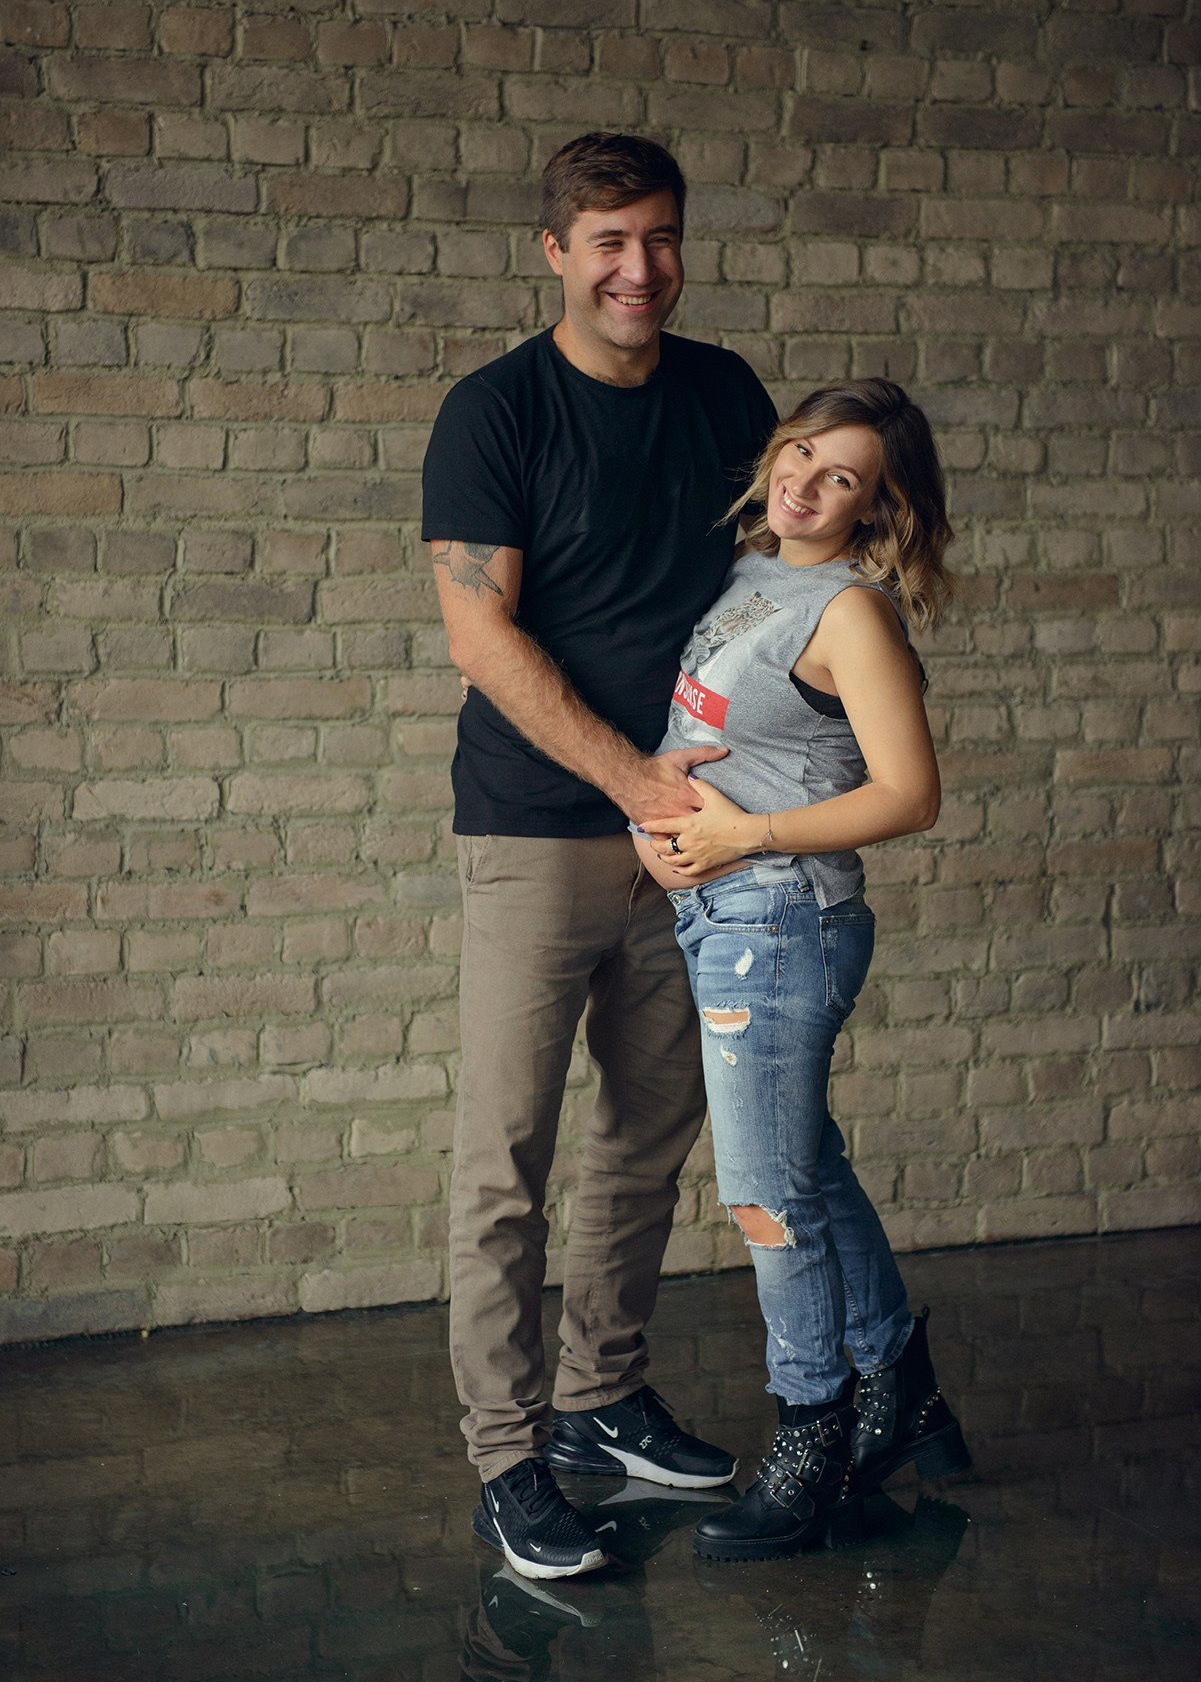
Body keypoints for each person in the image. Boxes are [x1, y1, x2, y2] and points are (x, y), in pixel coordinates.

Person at [421, 132, 779, 1581]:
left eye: (663, 238)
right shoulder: (494, 412)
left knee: (650, 1133)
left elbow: (779, 583)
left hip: (693, 837)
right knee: (505, 1157)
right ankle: (508, 1460)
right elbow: (476, 633)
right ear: (554, 251)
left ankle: (600, 1401)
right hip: (539, 829)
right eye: (609, 240)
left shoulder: (725, 394)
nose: (642, 268)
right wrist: (635, 782)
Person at [635, 379, 972, 1562]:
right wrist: (666, 824)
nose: (806, 482)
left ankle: (810, 1438)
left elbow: (909, 795)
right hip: (725, 911)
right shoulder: (748, 570)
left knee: (763, 1199)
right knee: (805, 1171)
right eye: (800, 453)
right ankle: (902, 1394)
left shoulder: (848, 613)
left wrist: (742, 837)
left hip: (779, 921)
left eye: (842, 476)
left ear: (879, 506)